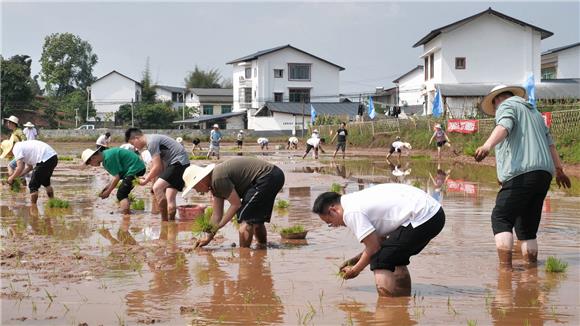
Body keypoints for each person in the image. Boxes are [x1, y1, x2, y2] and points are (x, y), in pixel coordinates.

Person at [474, 85, 571, 268]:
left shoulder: (506, 106)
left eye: (495, 108)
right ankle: (531, 272)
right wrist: (560, 170)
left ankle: (505, 272)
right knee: (526, 229)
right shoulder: (535, 113)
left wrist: (486, 146)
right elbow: (550, 145)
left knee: (500, 217)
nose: (496, 111)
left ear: (497, 100)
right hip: (544, 175)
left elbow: (504, 126)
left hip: (522, 172)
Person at [312, 184, 445, 297]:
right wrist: (354, 260)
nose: (334, 226)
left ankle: (387, 308)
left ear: (333, 210)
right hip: (432, 213)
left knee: (381, 260)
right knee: (394, 255)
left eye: (330, 222)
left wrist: (355, 270)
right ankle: (402, 301)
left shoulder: (350, 212)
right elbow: (379, 242)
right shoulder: (354, 200)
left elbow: (374, 248)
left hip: (424, 216)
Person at [182, 157, 285, 248]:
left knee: (245, 219)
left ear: (200, 181)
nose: (196, 190)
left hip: (267, 176)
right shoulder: (215, 183)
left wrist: (219, 226)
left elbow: (236, 204)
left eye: (195, 187)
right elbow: (216, 215)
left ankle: (244, 255)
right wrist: (208, 237)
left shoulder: (218, 179)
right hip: (273, 175)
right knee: (256, 219)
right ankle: (262, 247)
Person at [125, 128, 190, 221]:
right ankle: (171, 225)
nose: (134, 147)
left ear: (136, 138)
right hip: (182, 163)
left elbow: (157, 166)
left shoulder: (151, 142)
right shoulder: (153, 139)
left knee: (157, 188)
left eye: (132, 144)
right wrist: (152, 177)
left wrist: (146, 180)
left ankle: (164, 222)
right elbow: (161, 165)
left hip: (178, 163)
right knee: (170, 199)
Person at [82, 147, 146, 214]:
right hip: (135, 168)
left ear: (92, 158)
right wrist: (106, 188)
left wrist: (108, 192)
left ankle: (126, 216)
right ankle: (127, 212)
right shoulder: (106, 156)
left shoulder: (108, 158)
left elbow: (117, 178)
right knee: (124, 190)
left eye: (90, 164)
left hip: (135, 168)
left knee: (121, 194)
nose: (92, 165)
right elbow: (116, 176)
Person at [1, 139, 58, 204]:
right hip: (53, 158)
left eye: (7, 153)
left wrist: (11, 178)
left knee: (32, 185)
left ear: (9, 149)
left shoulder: (16, 148)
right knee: (46, 182)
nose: (9, 155)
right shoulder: (22, 146)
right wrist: (18, 176)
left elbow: (20, 168)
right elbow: (29, 167)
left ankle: (33, 207)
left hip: (45, 159)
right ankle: (52, 201)